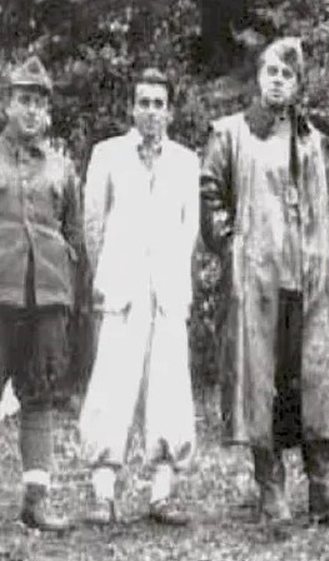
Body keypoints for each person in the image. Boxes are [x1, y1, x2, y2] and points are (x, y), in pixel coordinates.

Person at [200, 37, 329, 526]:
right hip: (259, 280)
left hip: (311, 280)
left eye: (287, 75)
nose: (278, 81)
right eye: (271, 72)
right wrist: (233, 245)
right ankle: (271, 487)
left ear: (298, 85)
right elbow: (209, 194)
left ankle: (323, 487)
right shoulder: (232, 133)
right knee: (264, 381)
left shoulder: (313, 139)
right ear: (258, 78)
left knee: (316, 380)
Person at [78, 68, 198, 526]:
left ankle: (161, 494)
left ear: (170, 112)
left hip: (167, 290)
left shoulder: (185, 161)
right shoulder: (108, 155)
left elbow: (189, 230)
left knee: (170, 390)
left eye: (158, 104)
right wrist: (109, 276)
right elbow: (93, 225)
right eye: (143, 102)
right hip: (122, 289)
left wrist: (172, 278)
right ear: (132, 107)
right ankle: (103, 493)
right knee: (111, 385)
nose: (151, 111)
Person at [0, 56, 82, 532]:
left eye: (39, 103)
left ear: (48, 113)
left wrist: (71, 299)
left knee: (40, 395)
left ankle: (35, 503)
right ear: (7, 105)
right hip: (1, 296)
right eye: (23, 100)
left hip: (47, 300)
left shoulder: (62, 168)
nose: (31, 110)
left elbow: (74, 237)